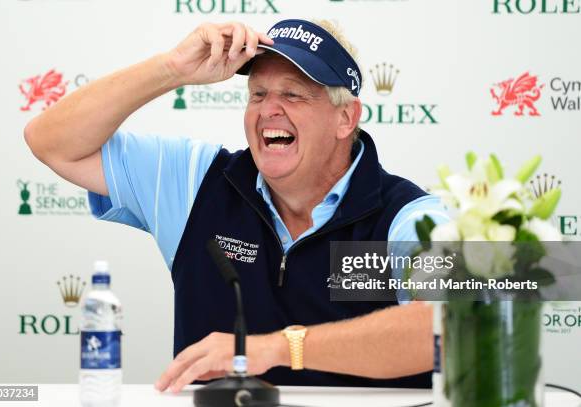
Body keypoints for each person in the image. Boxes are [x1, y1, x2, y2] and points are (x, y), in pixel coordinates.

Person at [24, 19, 448, 392]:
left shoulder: (414, 215)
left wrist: (274, 349)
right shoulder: (196, 180)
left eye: (293, 95)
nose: (269, 110)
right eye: (258, 93)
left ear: (346, 118)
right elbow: (50, 142)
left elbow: (451, 325)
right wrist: (173, 68)